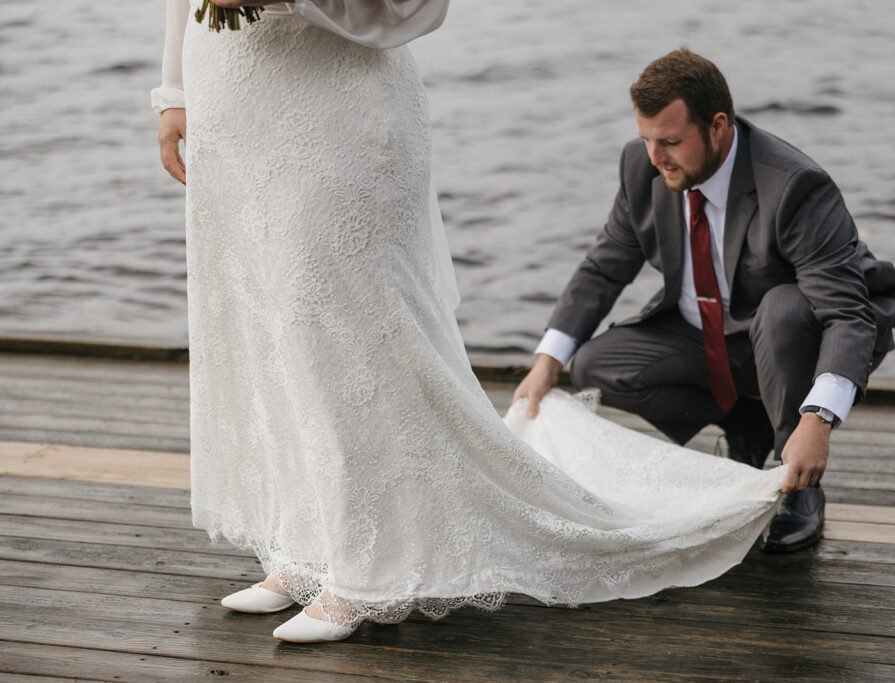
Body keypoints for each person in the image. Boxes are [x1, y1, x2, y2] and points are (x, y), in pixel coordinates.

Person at [154, 3, 788, 644]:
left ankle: (371, 567)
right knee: (272, 328)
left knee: (345, 337)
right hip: (233, 101)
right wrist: (175, 89)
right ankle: (309, 545)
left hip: (329, 111)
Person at [515, 48, 895, 554]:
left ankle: (800, 485)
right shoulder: (644, 167)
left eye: (671, 142)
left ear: (718, 125)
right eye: (647, 140)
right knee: (594, 364)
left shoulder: (793, 185)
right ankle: (745, 426)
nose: (656, 158)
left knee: (785, 309)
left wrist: (819, 422)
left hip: (787, 335)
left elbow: (846, 312)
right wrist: (549, 360)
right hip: (701, 333)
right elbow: (606, 263)